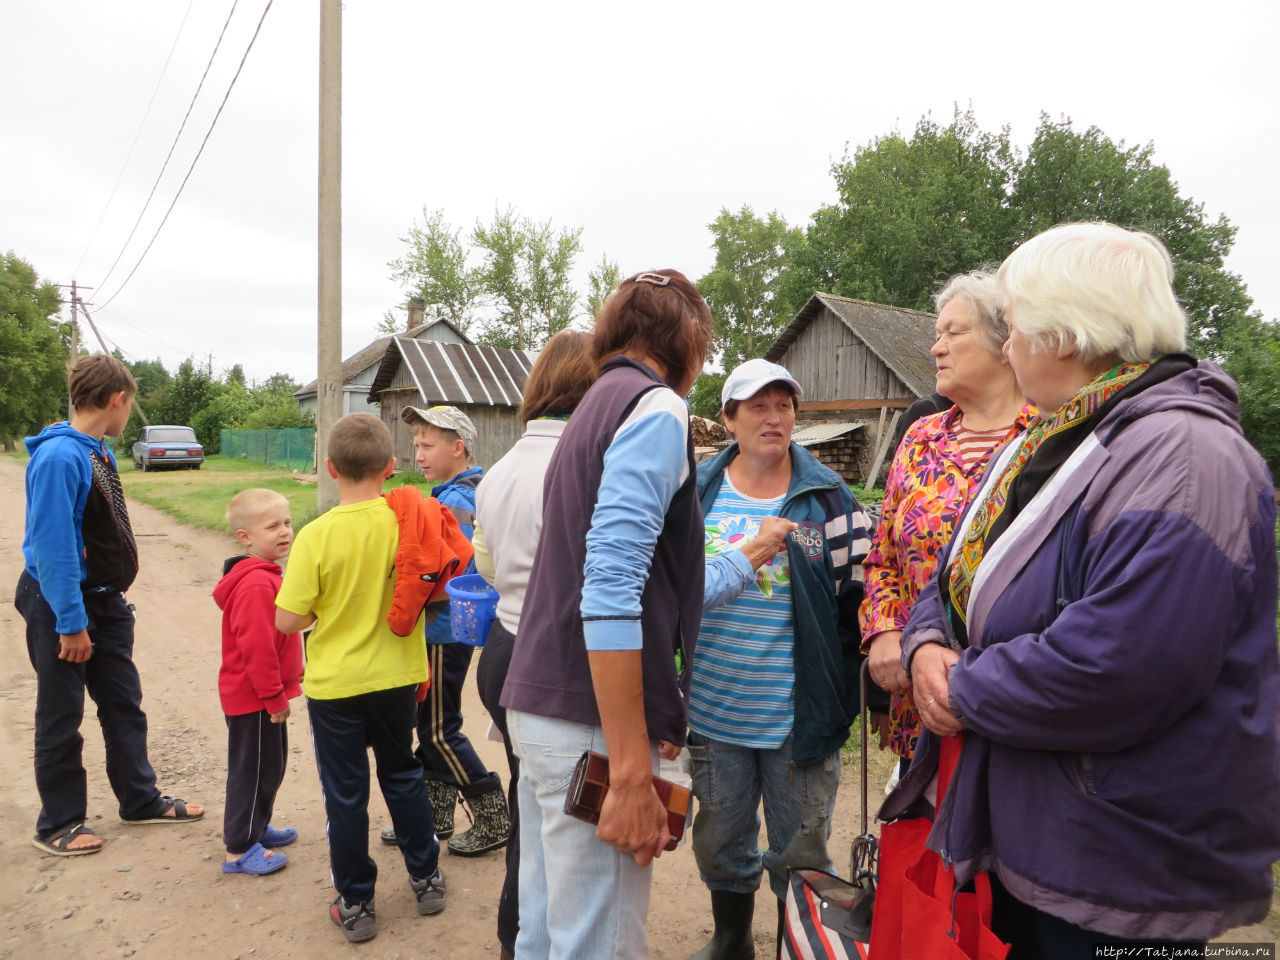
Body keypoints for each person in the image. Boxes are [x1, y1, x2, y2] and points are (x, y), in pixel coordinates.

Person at [882, 222, 1280, 955]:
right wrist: (926, 642)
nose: (1007, 345)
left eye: (1017, 326)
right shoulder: (1061, 438)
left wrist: (959, 684)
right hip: (1049, 836)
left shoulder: (1186, 459)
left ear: (1063, 334)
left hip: (1122, 866)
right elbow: (955, 574)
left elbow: (1121, 667)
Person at [501, 269, 714, 960]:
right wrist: (628, 771)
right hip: (590, 726)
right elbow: (612, 589)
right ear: (687, 340)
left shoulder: (593, 406)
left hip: (542, 708)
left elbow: (627, 575)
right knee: (598, 944)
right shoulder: (653, 408)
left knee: (543, 930)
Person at [685, 358, 875, 959]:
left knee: (801, 850)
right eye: (758, 406)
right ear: (729, 418)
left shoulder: (828, 497)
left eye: (784, 405)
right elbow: (669, 591)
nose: (774, 418)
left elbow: (859, 601)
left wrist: (851, 693)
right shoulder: (698, 492)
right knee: (721, 841)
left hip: (800, 720)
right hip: (715, 714)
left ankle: (798, 944)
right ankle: (733, 939)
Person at [15, 353, 204, 858]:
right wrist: (71, 624)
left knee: (123, 704)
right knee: (61, 715)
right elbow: (53, 547)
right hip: (63, 606)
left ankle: (139, 800)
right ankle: (58, 823)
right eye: (130, 405)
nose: (128, 414)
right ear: (118, 400)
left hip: (105, 602)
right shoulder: (59, 457)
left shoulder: (96, 449)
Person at [275, 412, 446, 943]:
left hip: (336, 688)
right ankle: (426, 877)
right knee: (402, 775)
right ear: (390, 467)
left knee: (345, 793)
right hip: (396, 678)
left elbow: (287, 619)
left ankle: (356, 903)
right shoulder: (408, 523)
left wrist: (321, 613)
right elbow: (434, 589)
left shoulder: (314, 535)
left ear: (329, 468)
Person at [860, 272, 1032, 768]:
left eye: (954, 333)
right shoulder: (921, 438)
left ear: (1006, 344)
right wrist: (886, 632)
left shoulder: (1048, 434)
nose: (937, 348)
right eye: (937, 335)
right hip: (921, 700)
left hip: (1011, 707)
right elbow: (883, 559)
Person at [472, 329, 598, 959]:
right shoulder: (581, 464)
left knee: (533, 799)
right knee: (566, 824)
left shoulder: (500, 468)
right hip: (552, 655)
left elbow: (488, 567)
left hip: (504, 643)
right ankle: (536, 938)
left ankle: (516, 935)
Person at [385, 402, 509, 858]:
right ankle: (434, 813)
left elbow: (443, 573)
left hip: (443, 630)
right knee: (431, 723)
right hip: (450, 629)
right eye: (416, 444)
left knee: (438, 729)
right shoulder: (463, 489)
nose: (418, 453)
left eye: (428, 444)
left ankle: (493, 813)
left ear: (458, 447)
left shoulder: (457, 499)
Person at [213, 488, 304, 876]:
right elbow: (258, 649)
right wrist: (273, 696)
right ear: (245, 537)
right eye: (273, 527)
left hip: (263, 697)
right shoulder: (254, 584)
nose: (284, 532)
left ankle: (257, 825)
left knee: (271, 765)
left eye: (287, 522)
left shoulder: (266, 574)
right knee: (251, 771)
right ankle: (239, 846)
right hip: (255, 699)